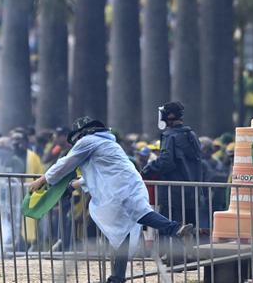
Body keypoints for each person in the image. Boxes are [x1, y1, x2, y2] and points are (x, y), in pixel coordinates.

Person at [29, 116, 193, 283]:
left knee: (138, 215)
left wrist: (42, 180)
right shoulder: (108, 143)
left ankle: (175, 229)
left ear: (81, 133)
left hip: (120, 189)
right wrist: (73, 185)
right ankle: (118, 277)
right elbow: (96, 174)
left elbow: (65, 163)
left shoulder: (88, 141)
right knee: (122, 234)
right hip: (128, 185)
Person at [141, 101, 203, 228]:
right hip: (193, 193)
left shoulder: (169, 136)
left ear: (168, 116)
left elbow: (166, 162)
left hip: (173, 195)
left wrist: (147, 170)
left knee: (170, 232)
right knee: (191, 232)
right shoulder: (192, 135)